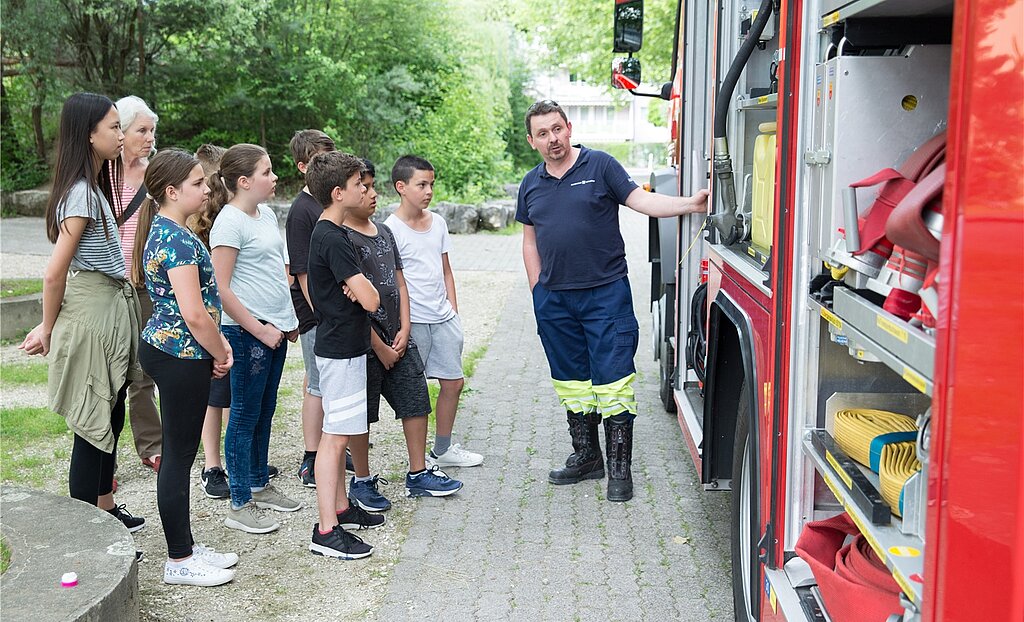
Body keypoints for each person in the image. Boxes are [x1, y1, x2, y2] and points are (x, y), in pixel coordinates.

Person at [516, 99, 709, 502]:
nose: (553, 139)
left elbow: (642, 201)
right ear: (532, 140)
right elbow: (530, 239)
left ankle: (620, 471)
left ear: (569, 127)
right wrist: (538, 292)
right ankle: (587, 457)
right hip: (555, 302)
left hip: (605, 295)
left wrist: (689, 204)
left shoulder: (601, 166)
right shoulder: (531, 183)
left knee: (614, 381)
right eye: (543, 134)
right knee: (572, 384)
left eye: (557, 129)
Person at [19, 92, 145, 532]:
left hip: (109, 308)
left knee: (110, 413)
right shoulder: (80, 194)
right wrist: (48, 328)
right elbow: (54, 274)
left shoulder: (92, 188)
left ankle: (106, 509)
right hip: (93, 314)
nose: (119, 133)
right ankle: (88, 535)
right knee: (92, 424)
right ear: (89, 136)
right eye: (113, 126)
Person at [133, 148, 239, 586]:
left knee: (182, 452)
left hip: (178, 350)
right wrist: (220, 351)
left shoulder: (168, 229)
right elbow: (194, 313)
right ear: (171, 191)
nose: (206, 187)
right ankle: (178, 559)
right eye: (197, 183)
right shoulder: (174, 238)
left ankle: (188, 547)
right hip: (181, 352)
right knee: (178, 457)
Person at [343, 160, 463, 508]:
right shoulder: (339, 239)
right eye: (363, 188)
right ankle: (361, 481)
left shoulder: (383, 232)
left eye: (372, 186)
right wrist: (378, 343)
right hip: (365, 343)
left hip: (400, 334)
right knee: (360, 413)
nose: (371, 193)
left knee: (415, 401)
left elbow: (400, 282)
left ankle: (418, 473)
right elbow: (346, 302)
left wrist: (405, 327)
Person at [194, 144, 300, 533]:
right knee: (242, 415)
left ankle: (258, 483)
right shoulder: (229, 222)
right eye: (267, 172)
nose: (274, 178)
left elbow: (274, 273)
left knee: (264, 410)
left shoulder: (267, 214)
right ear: (244, 181)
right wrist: (259, 329)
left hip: (274, 331)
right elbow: (221, 290)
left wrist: (287, 322)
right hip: (248, 334)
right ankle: (239, 502)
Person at [305, 151, 386, 559]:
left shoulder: (330, 233)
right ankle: (326, 530)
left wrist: (358, 289)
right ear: (339, 193)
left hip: (345, 347)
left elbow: (361, 293)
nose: (365, 189)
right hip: (340, 352)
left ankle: (339, 506)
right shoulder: (334, 238)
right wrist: (362, 289)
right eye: (359, 184)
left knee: (339, 432)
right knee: (334, 440)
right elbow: (371, 299)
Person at [384, 156, 483, 469]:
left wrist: (453, 310)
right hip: (414, 323)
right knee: (415, 393)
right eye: (421, 184)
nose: (428, 191)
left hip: (443, 320)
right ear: (401, 187)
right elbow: (391, 284)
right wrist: (401, 323)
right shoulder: (390, 230)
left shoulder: (438, 222)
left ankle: (443, 449)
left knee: (453, 383)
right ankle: (417, 461)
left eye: (431, 184)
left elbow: (446, 270)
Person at [113, 95, 163, 473]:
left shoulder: (155, 176)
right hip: (111, 287)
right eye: (141, 130)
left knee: (142, 372)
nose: (149, 137)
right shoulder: (101, 175)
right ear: (121, 131)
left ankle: (151, 445)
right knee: (108, 375)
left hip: (145, 285)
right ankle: (102, 460)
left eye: (152, 130)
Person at [284, 130, 335, 488]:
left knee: (328, 382)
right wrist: (324, 312)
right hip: (316, 312)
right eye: (319, 160)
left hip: (335, 310)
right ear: (303, 166)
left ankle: (332, 445)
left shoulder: (328, 202)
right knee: (317, 384)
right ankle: (311, 457)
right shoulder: (301, 211)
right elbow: (301, 272)